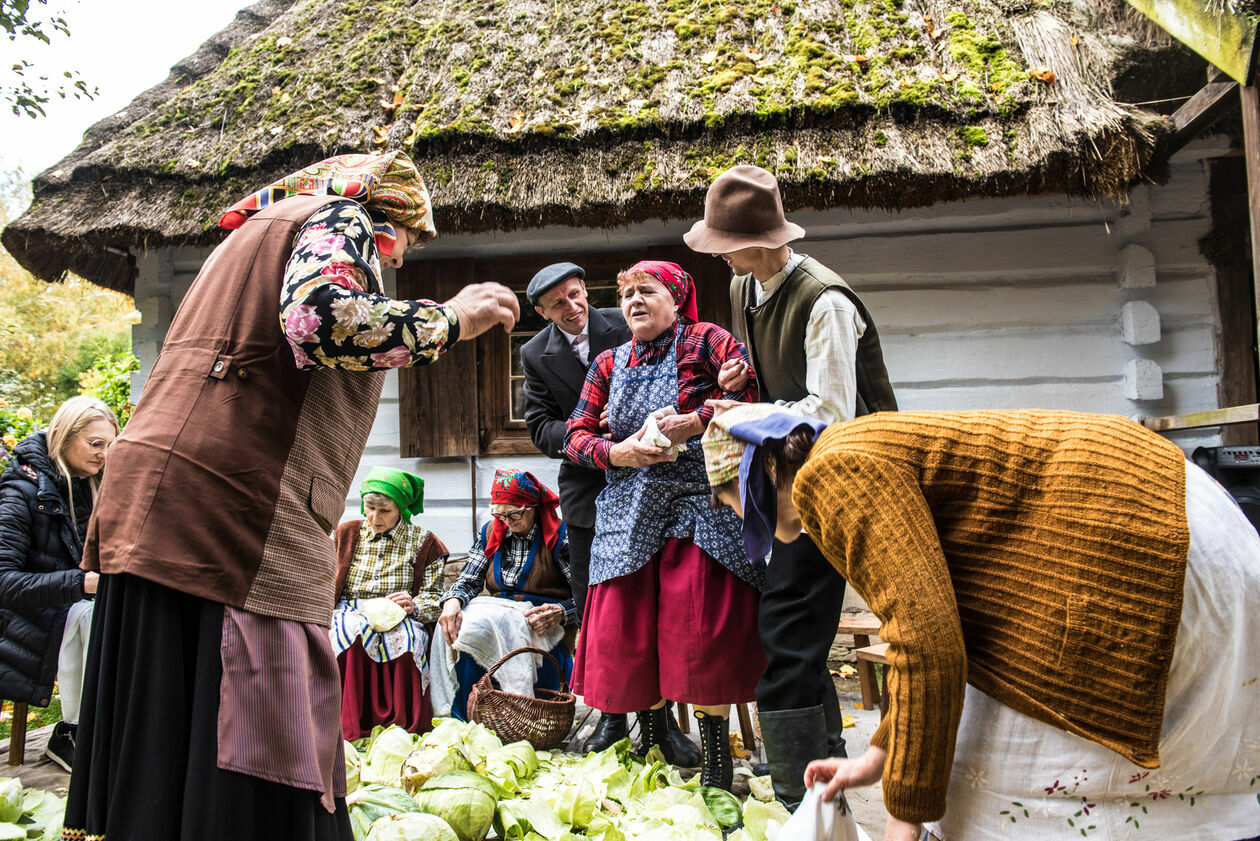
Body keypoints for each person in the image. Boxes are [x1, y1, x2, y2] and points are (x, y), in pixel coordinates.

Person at [63, 152, 520, 841]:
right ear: (391, 215)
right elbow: (320, 317)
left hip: (156, 499)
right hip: (231, 507)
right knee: (255, 727)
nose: (394, 259)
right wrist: (451, 319)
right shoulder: (342, 215)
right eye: (407, 243)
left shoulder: (241, 242)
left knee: (162, 734)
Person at [701, 402, 1260, 841]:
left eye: (728, 501)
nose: (733, 514)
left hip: (1130, 532)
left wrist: (903, 821)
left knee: (1000, 763)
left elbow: (926, 642)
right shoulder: (853, 449)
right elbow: (928, 628)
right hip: (1183, 507)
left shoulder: (831, 473)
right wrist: (878, 758)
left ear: (759, 473)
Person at [684, 164, 898, 806]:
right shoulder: (746, 291)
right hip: (790, 482)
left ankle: (794, 798)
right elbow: (774, 381)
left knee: (786, 628)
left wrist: (745, 416)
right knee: (796, 630)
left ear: (758, 240)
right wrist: (737, 384)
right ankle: (823, 779)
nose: (719, 259)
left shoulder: (825, 300)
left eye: (725, 247)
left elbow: (831, 409)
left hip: (847, 475)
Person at [565, 260, 763, 790]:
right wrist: (618, 452)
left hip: (699, 503)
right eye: (626, 293)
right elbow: (575, 436)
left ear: (675, 299)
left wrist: (704, 414)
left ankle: (717, 764)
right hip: (629, 507)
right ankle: (650, 743)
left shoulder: (708, 341)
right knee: (633, 631)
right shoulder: (609, 362)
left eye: (646, 291)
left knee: (700, 631)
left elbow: (751, 401)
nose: (633, 300)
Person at [519, 262, 694, 761]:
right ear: (542, 313)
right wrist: (595, 439)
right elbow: (541, 428)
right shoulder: (534, 354)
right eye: (558, 305)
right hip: (587, 491)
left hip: (651, 485)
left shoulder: (628, 322)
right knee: (601, 611)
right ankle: (610, 719)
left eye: (577, 295)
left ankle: (660, 727)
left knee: (648, 606)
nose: (573, 308)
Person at [0, 396, 118, 771]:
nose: (104, 455)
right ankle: (74, 730)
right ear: (62, 436)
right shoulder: (21, 491)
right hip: (24, 618)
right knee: (94, 613)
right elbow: (4, 582)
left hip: (71, 602)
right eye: (95, 444)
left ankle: (120, 726)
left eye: (111, 446)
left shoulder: (93, 485)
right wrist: (82, 584)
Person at [433, 469, 576, 720]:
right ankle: (469, 715)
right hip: (498, 612)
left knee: (516, 629)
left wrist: (562, 611)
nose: (507, 522)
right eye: (500, 514)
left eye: (514, 514)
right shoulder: (492, 531)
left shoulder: (558, 537)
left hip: (542, 618)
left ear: (533, 506)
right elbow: (469, 578)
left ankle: (523, 714)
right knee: (463, 630)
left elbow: (585, 593)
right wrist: (452, 602)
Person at [331, 467, 449, 740]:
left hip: (398, 613)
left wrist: (414, 605)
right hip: (350, 607)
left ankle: (401, 727)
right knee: (351, 636)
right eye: (370, 507)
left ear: (401, 510)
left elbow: (434, 597)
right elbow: (324, 576)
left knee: (407, 644)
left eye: (384, 511)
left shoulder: (425, 542)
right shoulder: (345, 534)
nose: (374, 517)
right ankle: (349, 726)